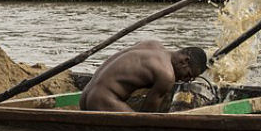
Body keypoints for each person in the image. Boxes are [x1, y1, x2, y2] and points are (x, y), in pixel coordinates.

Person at [79, 40, 208, 112]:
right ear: (185, 61)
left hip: (85, 96)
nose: (185, 80)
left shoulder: (152, 45)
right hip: (101, 101)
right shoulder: (166, 75)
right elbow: (146, 116)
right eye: (188, 75)